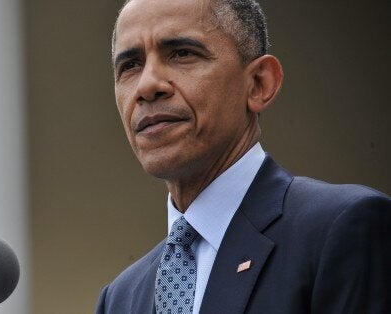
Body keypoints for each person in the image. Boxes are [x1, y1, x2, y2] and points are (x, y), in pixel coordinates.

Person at [95, 0, 390, 313]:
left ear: (259, 83)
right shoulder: (120, 299)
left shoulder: (342, 232)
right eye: (129, 66)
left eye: (182, 53)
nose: (148, 85)